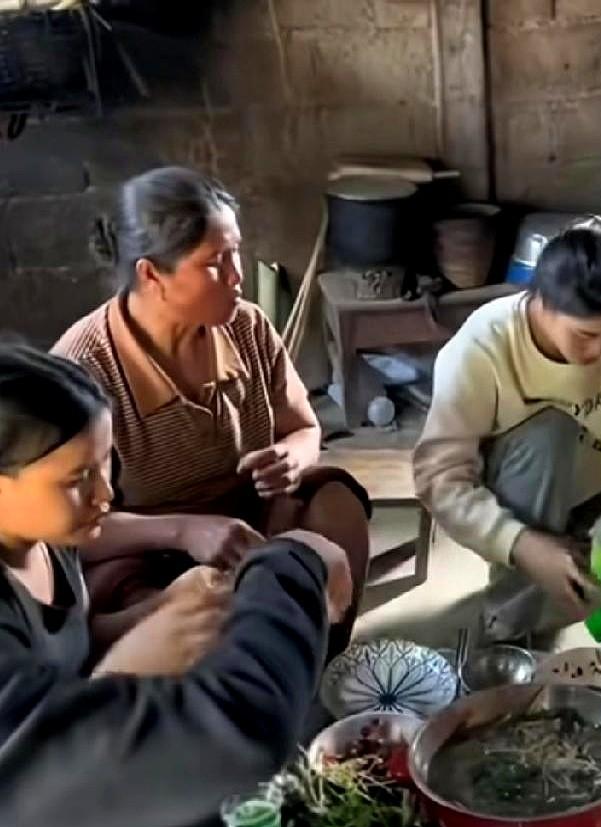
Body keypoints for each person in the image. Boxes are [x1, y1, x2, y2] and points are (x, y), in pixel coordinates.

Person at [0, 342, 351, 827]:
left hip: (92, 806)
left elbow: (70, 649)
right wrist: (292, 563)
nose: (105, 495)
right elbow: (240, 726)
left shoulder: (48, 540)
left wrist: (158, 613)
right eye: (77, 479)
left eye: (106, 466)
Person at [53, 166, 370, 654]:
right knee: (155, 619)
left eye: (236, 252)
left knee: (336, 509)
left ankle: (320, 667)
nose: (238, 275)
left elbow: (304, 428)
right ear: (151, 274)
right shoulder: (85, 368)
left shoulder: (245, 327)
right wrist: (184, 530)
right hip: (146, 546)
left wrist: (291, 457)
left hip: (252, 520)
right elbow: (64, 525)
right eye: (214, 262)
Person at [414, 220, 601, 644]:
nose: (599, 353)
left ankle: (587, 556)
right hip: (521, 489)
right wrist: (519, 543)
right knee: (550, 435)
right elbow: (440, 479)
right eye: (585, 335)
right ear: (541, 300)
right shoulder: (484, 344)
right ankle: (509, 625)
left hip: (597, 485)